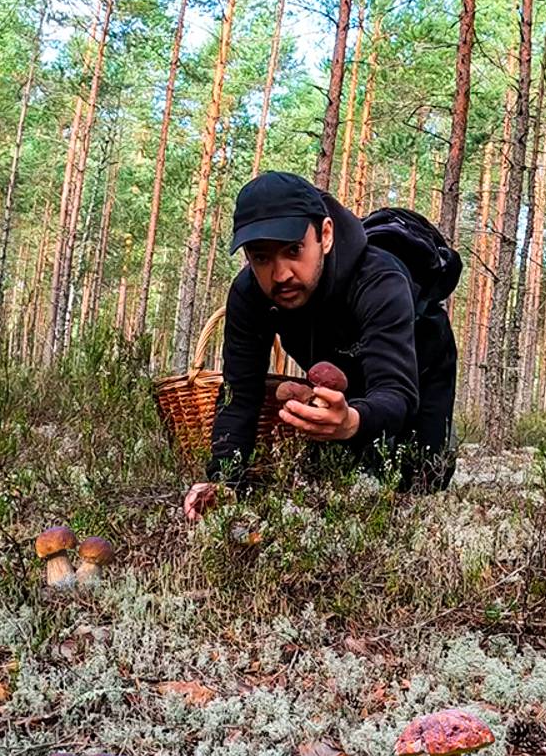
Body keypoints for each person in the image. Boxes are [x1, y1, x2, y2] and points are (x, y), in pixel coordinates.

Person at [182, 171, 460, 520]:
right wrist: (224, 480)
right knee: (337, 481)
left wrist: (352, 421)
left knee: (419, 481)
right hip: (343, 374)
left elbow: (396, 392)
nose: (280, 274)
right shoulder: (249, 295)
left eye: (294, 250)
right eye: (261, 257)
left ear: (325, 235)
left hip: (419, 367)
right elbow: (240, 395)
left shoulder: (378, 280)